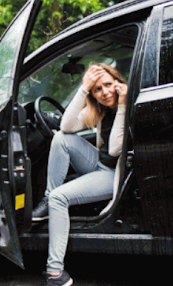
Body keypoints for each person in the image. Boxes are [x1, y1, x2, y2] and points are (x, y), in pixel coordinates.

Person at [33, 62, 128, 286]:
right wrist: (83, 88)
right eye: (97, 89)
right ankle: (48, 198)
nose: (104, 92)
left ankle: (54, 273)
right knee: (61, 138)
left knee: (60, 198)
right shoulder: (101, 110)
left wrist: (123, 104)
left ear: (117, 82)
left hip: (115, 174)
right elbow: (65, 126)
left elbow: (115, 149)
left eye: (107, 84)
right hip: (100, 164)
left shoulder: (130, 104)